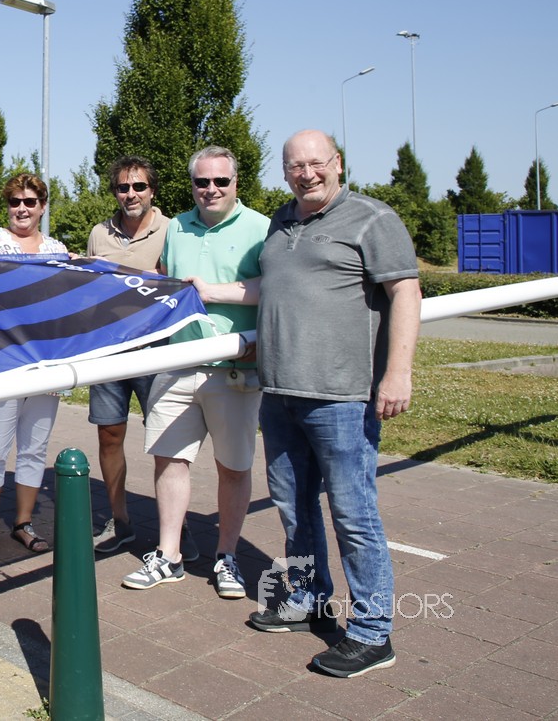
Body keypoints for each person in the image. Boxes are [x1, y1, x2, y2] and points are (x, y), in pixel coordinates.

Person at [248, 130, 420, 678]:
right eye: (295, 166)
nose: (307, 174)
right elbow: (271, 289)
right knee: (293, 507)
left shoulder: (372, 218)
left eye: (316, 163)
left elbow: (405, 292)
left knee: (353, 515)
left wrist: (397, 373)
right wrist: (199, 288)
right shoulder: (281, 221)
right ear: (285, 172)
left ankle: (372, 633)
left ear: (337, 163)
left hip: (341, 398)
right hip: (280, 394)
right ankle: (309, 599)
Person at [122, 145, 268, 600]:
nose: (211, 189)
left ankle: (227, 556)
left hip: (234, 370)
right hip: (177, 365)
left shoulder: (261, 228)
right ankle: (169, 556)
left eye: (221, 181)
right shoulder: (177, 227)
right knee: (168, 459)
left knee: (233, 468)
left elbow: (271, 287)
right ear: (192, 185)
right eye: (202, 181)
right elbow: (168, 280)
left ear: (236, 183)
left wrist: (212, 293)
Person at [0, 172, 66, 556]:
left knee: (34, 448)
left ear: (43, 207)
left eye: (30, 202)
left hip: (44, 364)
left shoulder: (58, 251)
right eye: (15, 201)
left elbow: (66, 306)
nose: (22, 208)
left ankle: (23, 522)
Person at [84, 155, 171, 555]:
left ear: (152, 190)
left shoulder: (172, 230)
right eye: (123, 187)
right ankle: (120, 521)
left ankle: (175, 527)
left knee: (167, 440)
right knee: (109, 435)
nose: (131, 194)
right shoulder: (98, 233)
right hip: (109, 350)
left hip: (156, 350)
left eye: (139, 186)